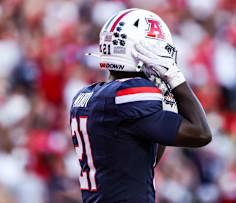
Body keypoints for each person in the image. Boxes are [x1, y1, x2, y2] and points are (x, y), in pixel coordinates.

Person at [70, 8, 212, 203]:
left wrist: (167, 102)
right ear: (142, 52)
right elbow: (201, 133)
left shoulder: (85, 96)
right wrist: (174, 77)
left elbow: (149, 159)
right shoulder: (131, 93)